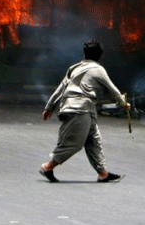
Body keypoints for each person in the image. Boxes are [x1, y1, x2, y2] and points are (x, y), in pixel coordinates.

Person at [39, 40, 130, 183]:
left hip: (84, 108)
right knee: (74, 143)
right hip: (80, 108)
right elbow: (113, 90)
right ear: (100, 56)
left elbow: (61, 88)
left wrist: (49, 107)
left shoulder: (74, 68)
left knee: (94, 139)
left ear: (84, 54)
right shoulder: (98, 70)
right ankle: (48, 166)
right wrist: (124, 104)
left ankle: (103, 173)